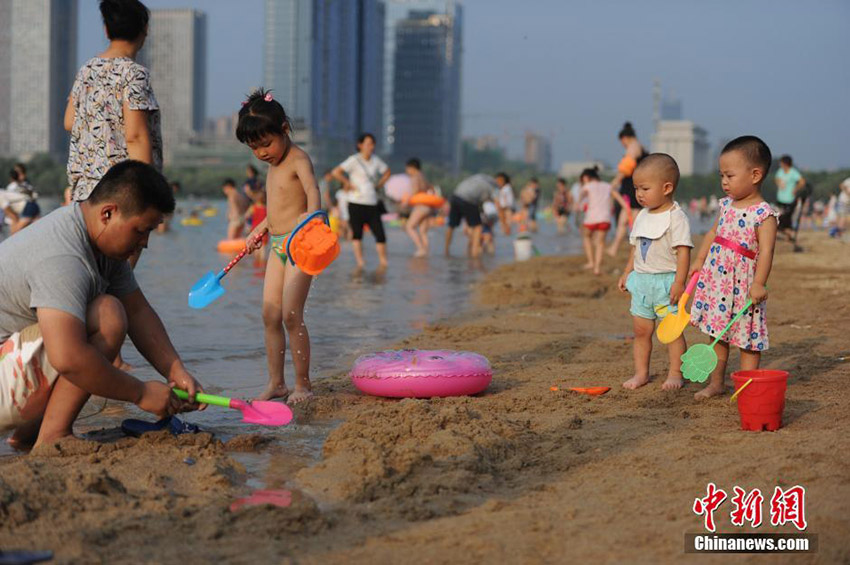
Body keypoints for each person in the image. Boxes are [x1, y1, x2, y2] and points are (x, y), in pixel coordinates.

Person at [0, 160, 203, 449]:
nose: (144, 243)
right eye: (141, 231)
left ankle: (29, 434)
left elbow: (138, 311)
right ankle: (53, 437)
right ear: (108, 213)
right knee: (107, 314)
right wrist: (141, 393)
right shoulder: (62, 257)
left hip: (11, 369)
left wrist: (176, 371)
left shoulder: (101, 243)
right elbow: (68, 357)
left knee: (110, 312)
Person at [238, 89, 321, 405]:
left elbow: (313, 190)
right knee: (269, 313)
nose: (261, 153)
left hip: (302, 243)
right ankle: (276, 383)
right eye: (254, 148)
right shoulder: (272, 166)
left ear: (284, 129)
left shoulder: (298, 158)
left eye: (266, 144)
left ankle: (303, 384)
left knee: (290, 314)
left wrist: (312, 218)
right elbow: (276, 210)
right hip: (276, 245)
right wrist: (260, 228)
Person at [689, 136, 778, 400]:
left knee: (747, 339)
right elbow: (712, 233)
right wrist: (699, 260)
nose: (724, 182)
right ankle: (717, 383)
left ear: (755, 174)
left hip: (744, 285)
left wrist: (759, 283)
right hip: (717, 281)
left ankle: (746, 387)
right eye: (721, 176)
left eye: (729, 175)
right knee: (717, 334)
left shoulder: (764, 214)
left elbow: (766, 253)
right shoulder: (725, 205)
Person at [65, 0, 161, 203]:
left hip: (85, 193)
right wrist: (147, 193)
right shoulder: (134, 74)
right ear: (145, 29)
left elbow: (69, 121)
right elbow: (135, 137)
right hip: (121, 192)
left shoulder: (87, 70)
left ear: (106, 30)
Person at [617, 154, 692, 391]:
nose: (639, 194)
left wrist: (680, 283)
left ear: (667, 187)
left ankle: (675, 373)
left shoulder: (676, 217)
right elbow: (636, 248)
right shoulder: (642, 215)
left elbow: (683, 252)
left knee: (671, 331)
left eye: (645, 188)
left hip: (666, 282)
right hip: (641, 282)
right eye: (637, 188)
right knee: (641, 330)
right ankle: (641, 373)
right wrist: (627, 272)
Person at [332, 133, 391, 269]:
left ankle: (383, 262)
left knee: (380, 234)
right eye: (368, 143)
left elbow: (387, 171)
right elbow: (336, 172)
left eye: (373, 144)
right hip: (355, 202)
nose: (371, 146)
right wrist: (348, 183)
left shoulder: (376, 161)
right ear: (360, 145)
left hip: (372, 203)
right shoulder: (354, 160)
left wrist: (379, 185)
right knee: (357, 234)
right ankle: (360, 263)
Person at [607, 122, 648, 257]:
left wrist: (615, 181)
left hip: (632, 189)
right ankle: (614, 248)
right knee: (624, 220)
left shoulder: (633, 147)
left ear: (625, 138)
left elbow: (626, 168)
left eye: (622, 142)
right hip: (634, 187)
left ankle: (637, 250)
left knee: (633, 221)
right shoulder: (641, 147)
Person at [579, 166, 627, 275]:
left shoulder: (587, 186)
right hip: (605, 219)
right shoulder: (608, 186)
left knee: (586, 236)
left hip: (591, 219)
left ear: (586, 177)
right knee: (600, 243)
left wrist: (579, 204)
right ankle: (597, 268)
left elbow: (581, 198)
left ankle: (591, 262)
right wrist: (627, 210)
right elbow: (620, 200)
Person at [445, 174, 499, 257]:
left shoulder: (476, 178)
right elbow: (495, 202)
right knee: (477, 227)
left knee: (451, 225)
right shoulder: (491, 187)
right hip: (468, 200)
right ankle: (475, 253)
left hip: (455, 196)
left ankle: (446, 250)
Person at [404, 158, 434, 258]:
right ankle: (426, 251)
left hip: (420, 206)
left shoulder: (415, 177)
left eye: (407, 169)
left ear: (412, 167)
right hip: (428, 206)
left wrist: (407, 200)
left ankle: (420, 248)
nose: (407, 171)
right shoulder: (423, 176)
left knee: (409, 227)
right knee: (423, 231)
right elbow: (431, 188)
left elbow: (415, 191)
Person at [774, 155, 805, 242]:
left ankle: (789, 235)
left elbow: (802, 181)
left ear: (785, 163)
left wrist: (795, 189)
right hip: (780, 199)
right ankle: (788, 235)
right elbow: (776, 179)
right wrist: (779, 183)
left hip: (789, 200)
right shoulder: (780, 171)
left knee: (786, 218)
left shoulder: (793, 172)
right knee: (778, 218)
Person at [2, 168, 40, 234]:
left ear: (10, 178)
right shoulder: (23, 184)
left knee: (15, 234)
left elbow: (12, 215)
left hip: (27, 207)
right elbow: (34, 195)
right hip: (31, 205)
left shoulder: (9, 188)